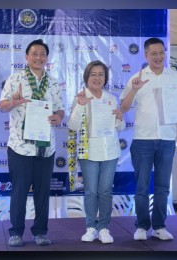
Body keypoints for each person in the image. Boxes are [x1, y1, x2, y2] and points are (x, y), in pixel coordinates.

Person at [120, 37, 177, 241]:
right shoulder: (137, 78)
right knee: (142, 186)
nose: (159, 57)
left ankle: (159, 226)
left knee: (162, 187)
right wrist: (134, 89)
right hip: (143, 140)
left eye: (162, 52)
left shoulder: (174, 76)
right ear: (146, 55)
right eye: (154, 53)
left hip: (167, 140)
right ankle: (141, 226)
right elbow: (123, 108)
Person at [0, 39, 65, 247]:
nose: (38, 57)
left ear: (47, 58)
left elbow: (60, 109)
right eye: (34, 54)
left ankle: (40, 232)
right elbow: (2, 106)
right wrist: (14, 102)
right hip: (20, 146)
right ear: (26, 57)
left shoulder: (53, 82)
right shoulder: (15, 79)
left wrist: (59, 117)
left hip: (46, 146)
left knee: (43, 191)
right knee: (19, 190)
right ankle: (16, 231)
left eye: (42, 54)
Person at [67, 60, 125, 244]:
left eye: (101, 74)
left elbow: (120, 128)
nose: (97, 78)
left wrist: (120, 118)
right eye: (93, 74)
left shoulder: (111, 98)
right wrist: (81, 105)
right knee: (91, 191)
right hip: (89, 152)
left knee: (106, 191)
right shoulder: (80, 97)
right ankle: (91, 227)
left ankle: (104, 228)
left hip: (110, 151)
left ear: (105, 78)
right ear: (87, 77)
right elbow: (72, 126)